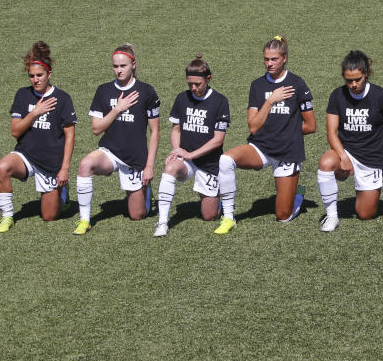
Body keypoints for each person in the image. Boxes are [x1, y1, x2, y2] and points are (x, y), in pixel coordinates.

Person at [216, 35, 315, 233]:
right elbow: (253, 127)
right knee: (225, 160)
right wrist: (270, 101)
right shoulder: (258, 85)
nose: (269, 63)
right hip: (261, 147)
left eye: (274, 59)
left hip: (287, 152)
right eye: (266, 59)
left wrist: (286, 135)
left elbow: (311, 125)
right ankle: (228, 217)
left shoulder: (297, 84)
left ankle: (297, 194)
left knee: (283, 217)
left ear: (284, 58)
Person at [73, 43, 160, 235]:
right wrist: (118, 109)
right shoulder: (104, 90)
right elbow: (96, 129)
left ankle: (146, 192)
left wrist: (149, 166)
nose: (119, 70)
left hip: (135, 158)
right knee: (85, 164)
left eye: (123, 66)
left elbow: (155, 132)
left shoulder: (146, 92)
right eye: (115, 66)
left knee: (137, 215)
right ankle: (84, 219)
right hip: (109, 152)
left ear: (133, 65)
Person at [0, 41, 77, 232]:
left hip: (51, 163)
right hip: (26, 156)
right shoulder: (22, 95)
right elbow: (15, 131)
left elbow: (70, 135)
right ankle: (7, 217)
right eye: (31, 76)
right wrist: (34, 112)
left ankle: (62, 193)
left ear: (49, 74)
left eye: (39, 75)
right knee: (1, 168)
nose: (35, 80)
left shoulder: (63, 98)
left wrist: (65, 168)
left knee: (49, 217)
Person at [316, 51, 383, 231]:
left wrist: (376, 143)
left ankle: (368, 194)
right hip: (346, 152)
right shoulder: (337, 95)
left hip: (371, 157)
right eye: (348, 80)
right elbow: (331, 132)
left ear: (366, 74)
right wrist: (343, 157)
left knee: (365, 214)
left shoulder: (380, 95)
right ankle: (332, 216)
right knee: (326, 163)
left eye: (357, 79)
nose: (353, 85)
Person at [153, 55, 231, 237]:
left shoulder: (220, 101)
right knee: (170, 167)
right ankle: (162, 222)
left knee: (209, 216)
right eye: (190, 84)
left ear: (208, 79)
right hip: (187, 159)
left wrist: (191, 154)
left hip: (209, 163)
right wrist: (177, 151)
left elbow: (218, 140)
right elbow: (176, 130)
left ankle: (215, 198)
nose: (193, 88)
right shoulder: (182, 99)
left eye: (197, 84)